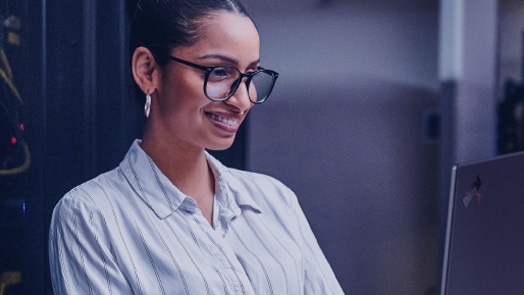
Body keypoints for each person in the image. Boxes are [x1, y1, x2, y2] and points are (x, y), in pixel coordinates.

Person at [48, 0, 344, 294]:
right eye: (218, 72)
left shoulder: (276, 201)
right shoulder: (91, 217)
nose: (242, 101)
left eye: (251, 75)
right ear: (148, 70)